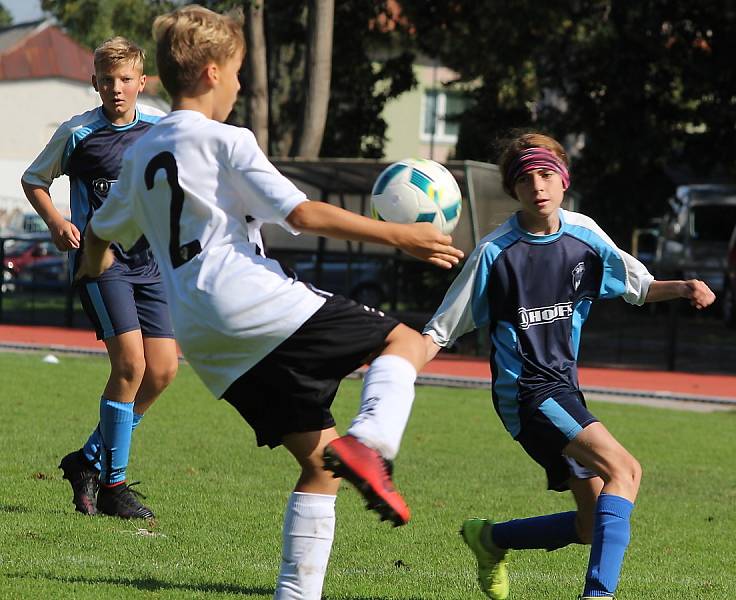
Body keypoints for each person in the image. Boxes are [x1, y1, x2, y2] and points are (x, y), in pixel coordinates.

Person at [75, 6, 463, 599]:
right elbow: (303, 214)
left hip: (203, 339)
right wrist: (401, 236)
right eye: (236, 75)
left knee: (319, 460)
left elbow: (100, 233)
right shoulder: (228, 139)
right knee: (405, 341)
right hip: (247, 297)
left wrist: (92, 279)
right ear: (210, 73)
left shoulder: (139, 154)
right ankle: (375, 442)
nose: (237, 87)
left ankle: (297, 592)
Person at [423, 131, 716, 600]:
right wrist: (392, 366)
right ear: (513, 190)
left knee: (589, 525)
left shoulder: (584, 236)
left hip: (563, 389)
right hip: (526, 394)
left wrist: (681, 287)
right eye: (525, 179)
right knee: (627, 470)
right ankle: (598, 596)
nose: (537, 186)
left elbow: (638, 286)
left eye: (545, 175)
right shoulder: (495, 254)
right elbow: (439, 331)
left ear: (563, 182)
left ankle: (490, 539)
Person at [21, 37, 178, 520]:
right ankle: (113, 485)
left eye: (126, 79)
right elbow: (34, 180)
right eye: (107, 80)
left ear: (141, 83)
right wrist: (55, 222)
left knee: (163, 371)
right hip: (101, 264)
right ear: (94, 82)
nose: (116, 88)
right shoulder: (78, 134)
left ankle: (87, 460)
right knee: (130, 367)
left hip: (149, 267)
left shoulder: (160, 129)